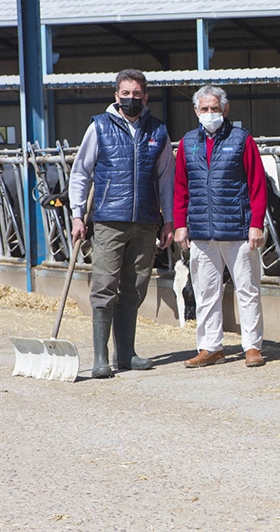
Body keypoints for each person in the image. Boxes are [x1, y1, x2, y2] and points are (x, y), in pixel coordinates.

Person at [69, 69, 175, 379]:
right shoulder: (99, 127)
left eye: (136, 94)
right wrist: (77, 214)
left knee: (135, 287)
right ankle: (101, 357)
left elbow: (166, 179)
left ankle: (125, 354)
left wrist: (167, 219)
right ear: (116, 96)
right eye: (125, 93)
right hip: (108, 220)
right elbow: (80, 172)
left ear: (145, 96)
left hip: (144, 221)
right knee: (104, 286)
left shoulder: (158, 131)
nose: (130, 99)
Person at [174, 85, 267, 368]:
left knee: (247, 289)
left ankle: (252, 347)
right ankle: (210, 347)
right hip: (202, 230)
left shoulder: (242, 140)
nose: (210, 113)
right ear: (196, 111)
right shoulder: (188, 143)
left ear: (225, 110)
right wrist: (180, 224)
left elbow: (257, 185)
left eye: (215, 108)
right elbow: (180, 188)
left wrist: (256, 224)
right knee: (205, 291)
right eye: (205, 109)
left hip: (238, 229)